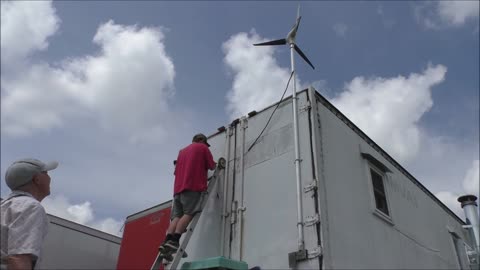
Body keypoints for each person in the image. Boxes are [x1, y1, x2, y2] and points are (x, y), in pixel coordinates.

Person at [159, 133, 216, 254]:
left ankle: (167, 240)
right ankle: (175, 240)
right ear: (202, 140)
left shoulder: (181, 152)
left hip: (177, 190)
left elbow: (176, 172)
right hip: (192, 187)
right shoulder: (202, 148)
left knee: (176, 217)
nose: (206, 145)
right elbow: (212, 166)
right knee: (189, 213)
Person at [1, 158, 58, 270]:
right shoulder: (30, 207)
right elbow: (19, 258)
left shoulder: (4, 206)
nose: (49, 177)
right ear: (37, 179)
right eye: (45, 173)